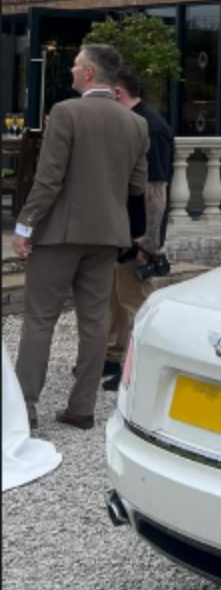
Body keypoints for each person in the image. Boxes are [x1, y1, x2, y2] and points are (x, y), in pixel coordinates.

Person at [11, 44, 148, 430]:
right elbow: (137, 186)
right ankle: (82, 408)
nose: (71, 70)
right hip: (107, 234)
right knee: (94, 323)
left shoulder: (66, 112)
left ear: (88, 73)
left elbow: (48, 179)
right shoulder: (135, 124)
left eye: (75, 64)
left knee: (40, 318)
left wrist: (24, 226)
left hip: (60, 233)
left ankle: (26, 405)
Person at [103, 66, 174, 392]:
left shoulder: (151, 128)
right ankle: (113, 355)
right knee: (118, 297)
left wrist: (150, 241)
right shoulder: (137, 123)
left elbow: (156, 187)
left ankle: (137, 366)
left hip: (138, 232)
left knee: (136, 301)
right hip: (125, 229)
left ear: (118, 93)